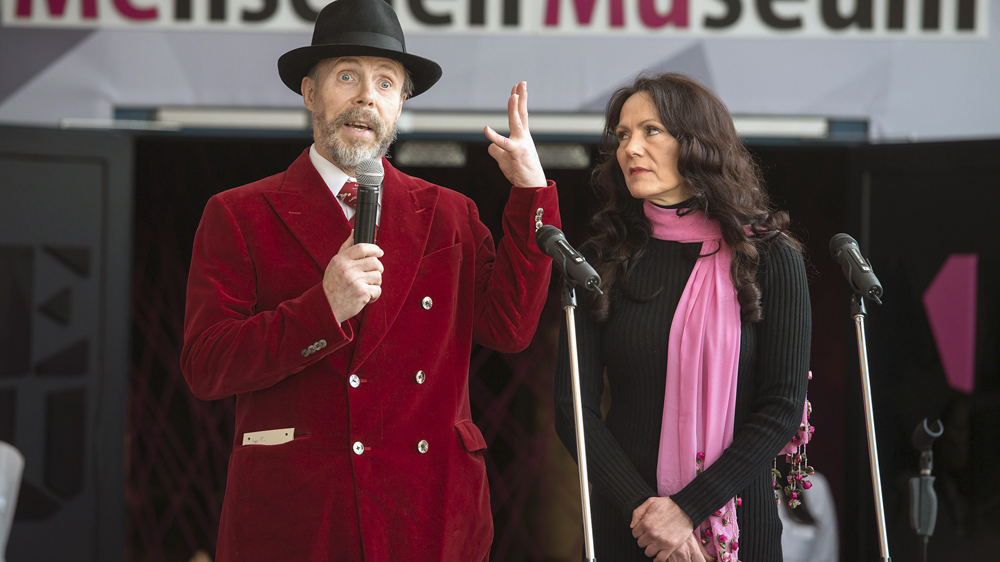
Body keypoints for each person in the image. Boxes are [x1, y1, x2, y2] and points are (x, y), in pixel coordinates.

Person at [179, 0, 559, 560]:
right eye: (347, 76)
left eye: (386, 82)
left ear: (400, 104)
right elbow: (206, 367)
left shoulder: (450, 214)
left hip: (425, 513)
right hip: (298, 520)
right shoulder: (238, 214)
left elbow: (509, 328)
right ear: (310, 93)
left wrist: (531, 193)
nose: (367, 96)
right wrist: (321, 309)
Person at [553, 73, 811, 562]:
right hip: (628, 526)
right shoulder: (598, 259)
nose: (631, 148)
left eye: (651, 130)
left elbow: (780, 407)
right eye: (623, 135)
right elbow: (573, 409)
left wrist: (687, 509)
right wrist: (648, 513)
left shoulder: (770, 257)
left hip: (740, 520)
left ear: (696, 142)